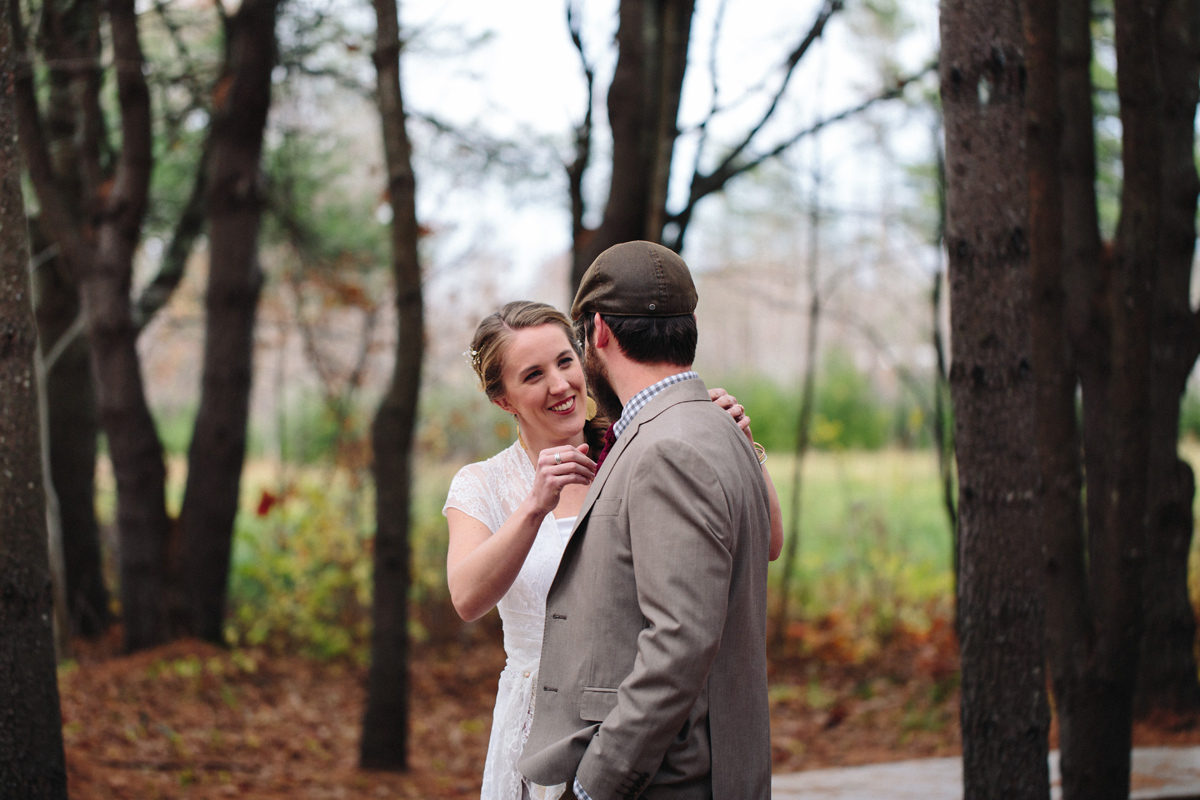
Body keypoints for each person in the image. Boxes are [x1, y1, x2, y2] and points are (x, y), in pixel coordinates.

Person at [443, 300, 780, 800]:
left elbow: (769, 544)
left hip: (634, 715)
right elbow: (467, 598)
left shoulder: (639, 450)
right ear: (504, 400)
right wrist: (535, 506)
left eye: (564, 361)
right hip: (538, 722)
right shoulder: (482, 484)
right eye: (533, 375)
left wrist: (740, 446)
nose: (560, 385)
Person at [518, 241, 773, 800]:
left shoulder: (665, 448)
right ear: (691, 325)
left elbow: (679, 641)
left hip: (670, 782)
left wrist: (597, 783)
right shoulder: (719, 426)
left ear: (599, 331)